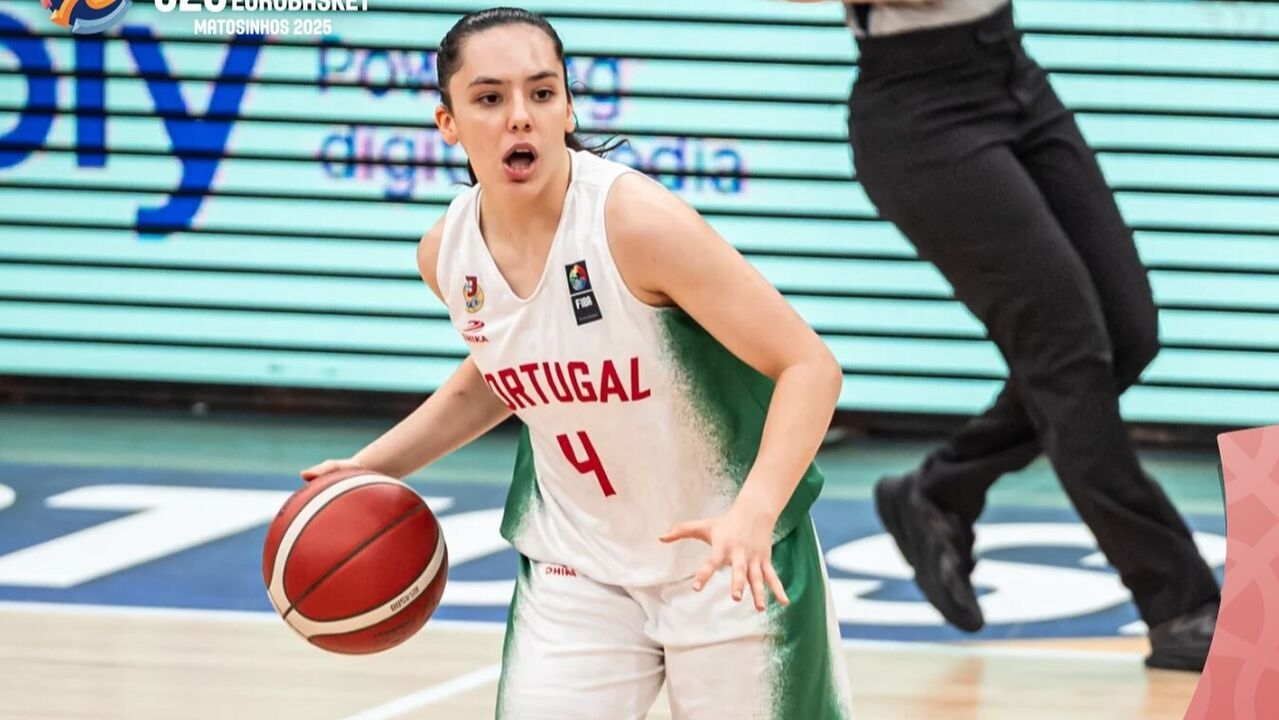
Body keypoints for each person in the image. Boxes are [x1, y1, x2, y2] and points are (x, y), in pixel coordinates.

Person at [302, 7, 854, 718]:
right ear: (448, 124)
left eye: (541, 92)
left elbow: (809, 366)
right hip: (578, 564)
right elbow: (498, 375)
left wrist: (754, 512)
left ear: (567, 108)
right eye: (489, 98)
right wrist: (368, 470)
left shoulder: (633, 223)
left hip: (724, 558)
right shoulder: (447, 254)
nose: (519, 117)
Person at [788, 0, 1220, 671]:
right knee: (1067, 356)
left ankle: (940, 490)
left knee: (1127, 331)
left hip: (1007, 67)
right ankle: (1179, 604)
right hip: (918, 109)